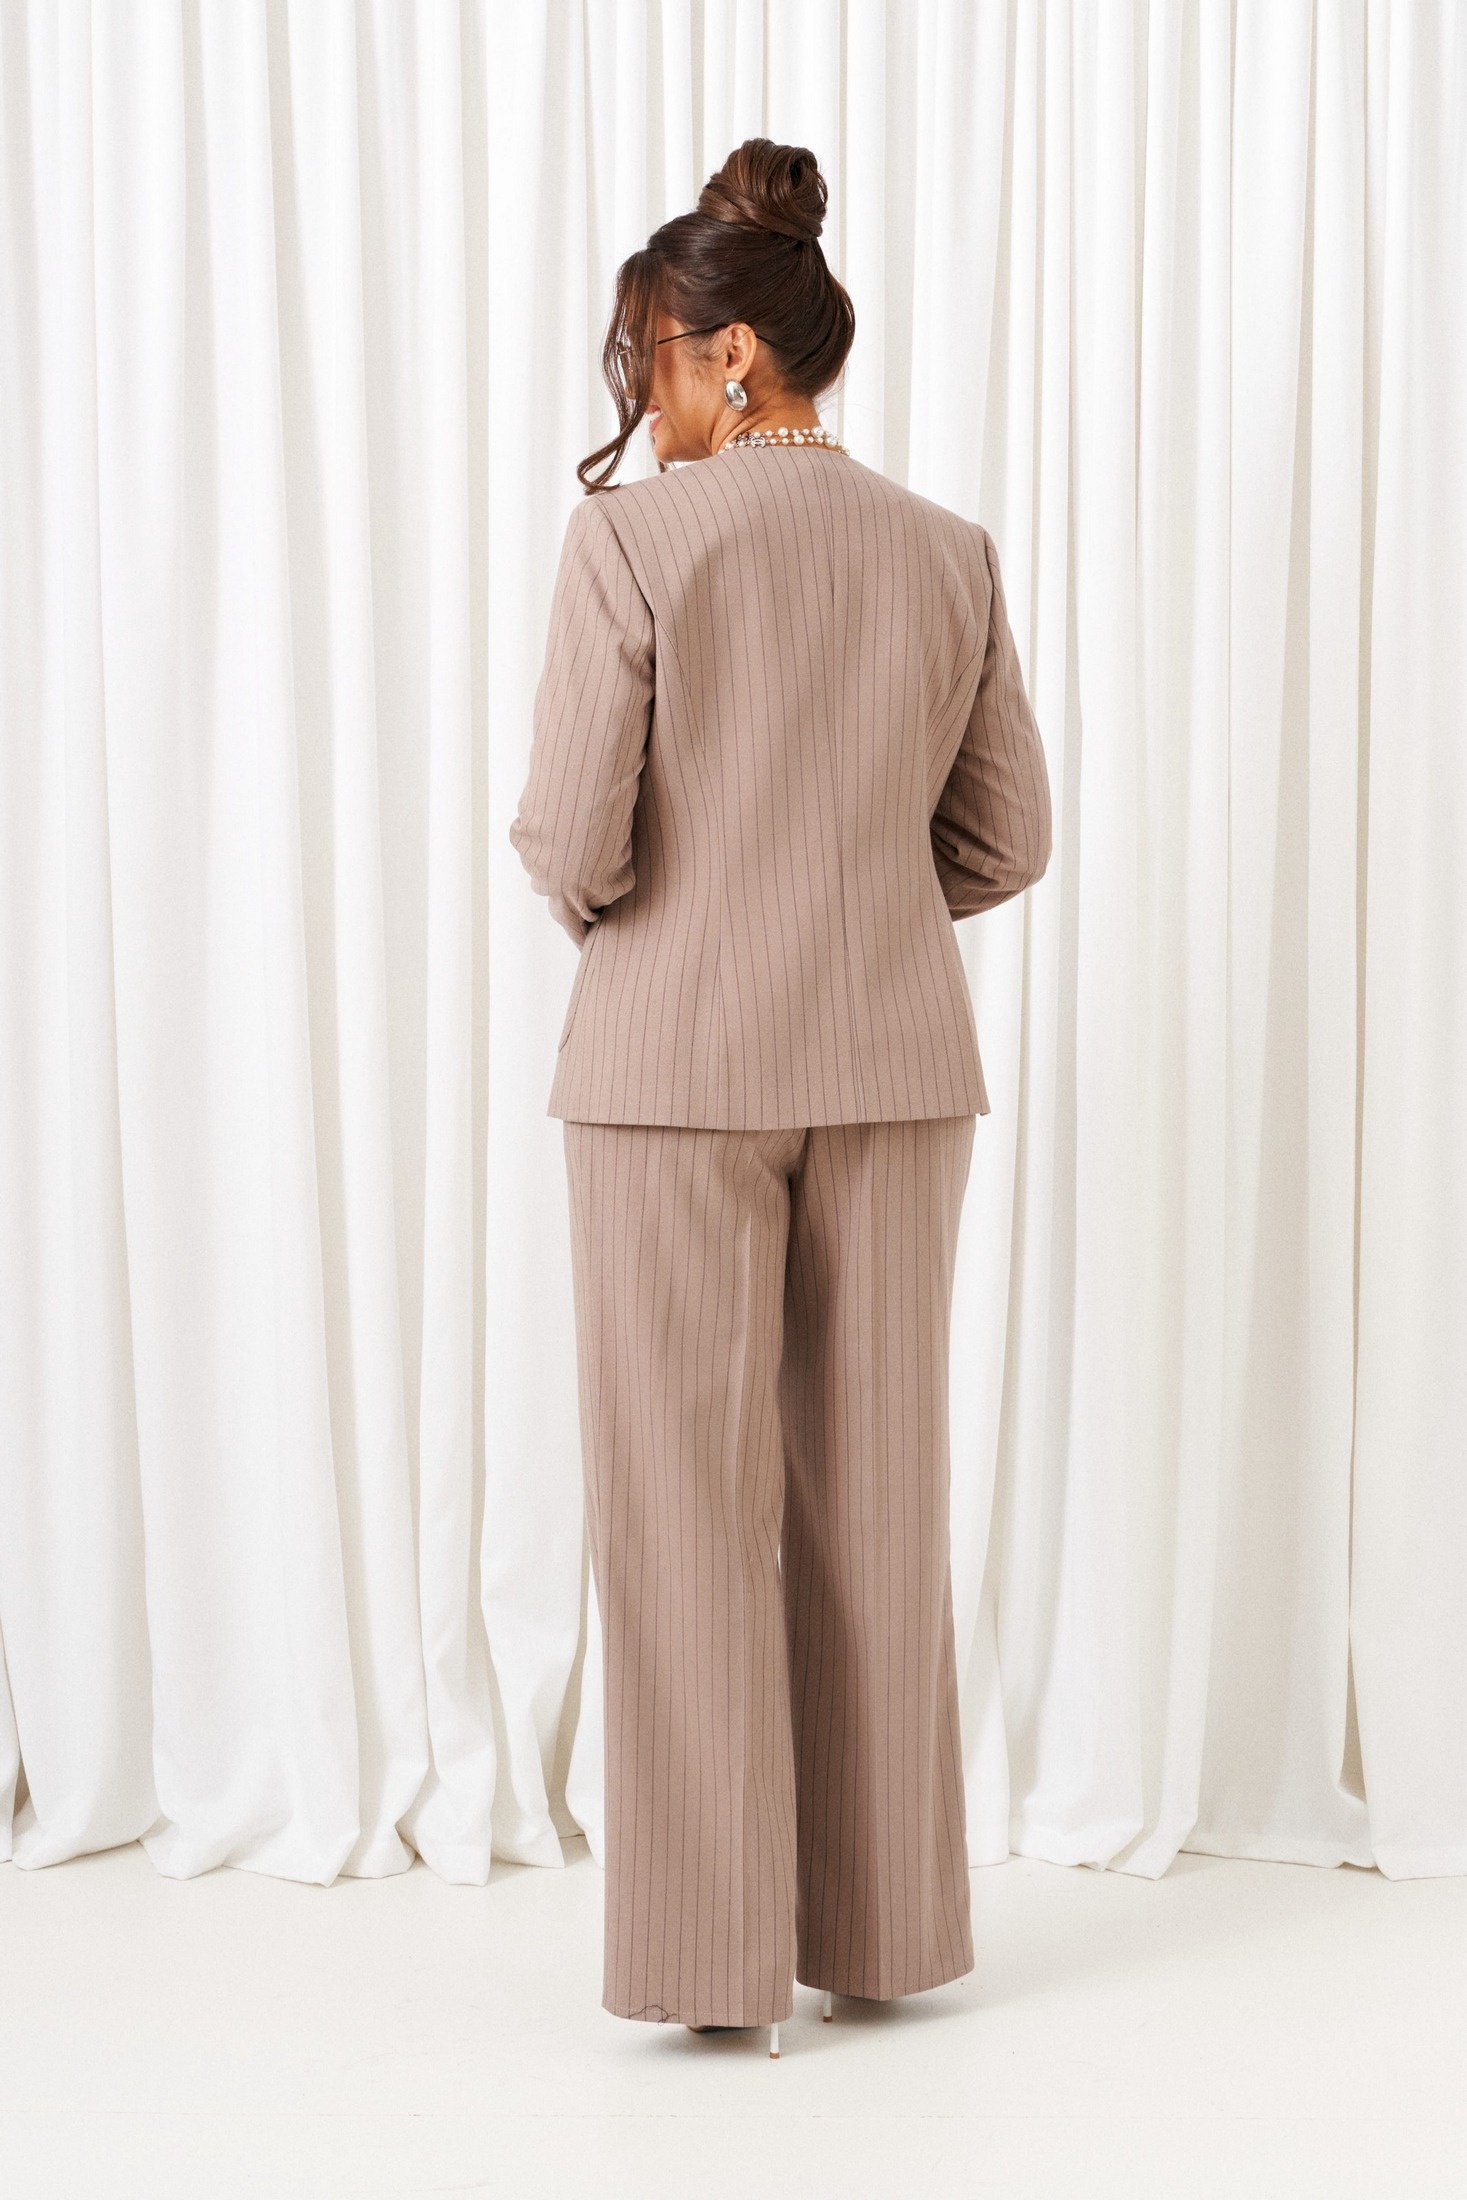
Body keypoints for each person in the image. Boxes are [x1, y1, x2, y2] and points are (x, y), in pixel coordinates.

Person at [509, 138, 1052, 2058]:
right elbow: (1007, 839)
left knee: (680, 1508)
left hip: (669, 1073)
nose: (640, 396)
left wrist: (645, 906)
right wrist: (859, 901)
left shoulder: (635, 545)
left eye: (651, 358)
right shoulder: (946, 548)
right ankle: (885, 1935)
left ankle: (707, 1967)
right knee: (875, 1497)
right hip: (897, 1068)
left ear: (729, 352)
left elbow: (570, 836)